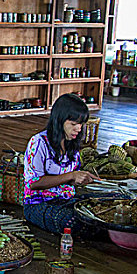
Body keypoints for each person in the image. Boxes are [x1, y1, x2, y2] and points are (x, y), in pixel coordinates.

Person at [23, 93, 98, 235]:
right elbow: (33, 183)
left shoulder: (72, 144)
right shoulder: (39, 142)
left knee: (110, 202)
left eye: (81, 124)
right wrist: (71, 175)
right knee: (74, 221)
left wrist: (80, 179)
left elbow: (71, 181)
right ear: (60, 120)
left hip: (66, 200)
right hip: (39, 204)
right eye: (74, 124)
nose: (79, 128)